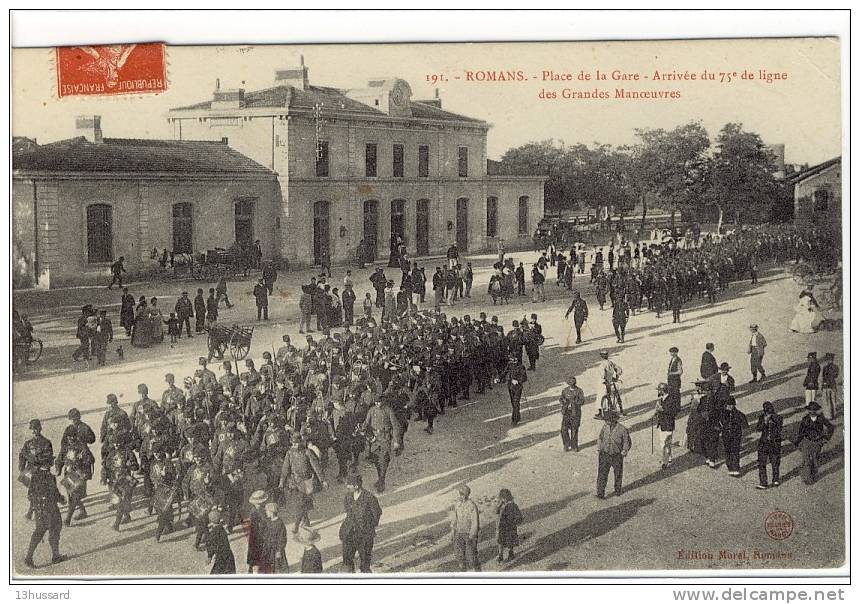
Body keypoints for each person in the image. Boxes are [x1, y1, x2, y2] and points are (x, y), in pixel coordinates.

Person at [23, 448, 67, 568]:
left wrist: (36, 505)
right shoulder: (49, 477)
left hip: (39, 510)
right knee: (55, 529)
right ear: (47, 464)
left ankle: (29, 557)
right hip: (50, 509)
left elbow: (30, 495)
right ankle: (55, 556)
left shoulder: (35, 476)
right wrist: (61, 499)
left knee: (39, 531)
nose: (51, 463)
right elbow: (54, 493)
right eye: (50, 461)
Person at [339, 473, 383, 573]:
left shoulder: (369, 498)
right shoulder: (348, 497)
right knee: (347, 561)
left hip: (364, 535)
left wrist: (369, 527)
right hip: (350, 533)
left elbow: (377, 513)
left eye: (349, 485)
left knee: (365, 563)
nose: (347, 487)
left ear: (356, 486)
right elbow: (348, 512)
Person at [362, 398, 402, 493]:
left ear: (383, 401)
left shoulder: (388, 411)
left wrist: (396, 441)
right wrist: (361, 428)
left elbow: (395, 426)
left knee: (383, 460)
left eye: (379, 402)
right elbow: (366, 422)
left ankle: (382, 482)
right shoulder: (372, 410)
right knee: (376, 460)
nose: (377, 404)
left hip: (385, 438)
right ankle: (380, 478)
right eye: (375, 402)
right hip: (374, 439)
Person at [792, 401, 835, 485]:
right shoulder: (805, 419)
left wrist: (826, 438)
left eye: (814, 410)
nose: (812, 412)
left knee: (815, 461)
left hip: (817, 443)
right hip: (806, 442)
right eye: (810, 410)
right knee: (806, 460)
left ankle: (813, 475)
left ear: (816, 410)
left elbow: (830, 427)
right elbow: (801, 432)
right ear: (808, 410)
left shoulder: (821, 419)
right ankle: (807, 478)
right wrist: (798, 442)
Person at [19, 419, 54, 521]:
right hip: (31, 472)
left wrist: (36, 460)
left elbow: (48, 458)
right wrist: (21, 467)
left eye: (36, 429)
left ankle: (32, 511)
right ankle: (32, 510)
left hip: (42, 471)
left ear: (40, 428)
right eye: (32, 429)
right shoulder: (28, 443)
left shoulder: (46, 443)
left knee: (39, 493)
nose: (34, 431)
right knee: (32, 492)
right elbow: (22, 455)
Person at [596, 410, 631, 499]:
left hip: (617, 455)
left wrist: (625, 450)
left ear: (613, 420)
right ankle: (600, 493)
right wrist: (599, 447)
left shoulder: (623, 429)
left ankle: (617, 490)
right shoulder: (605, 427)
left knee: (618, 474)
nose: (606, 422)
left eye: (607, 420)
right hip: (604, 454)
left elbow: (627, 442)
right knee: (602, 474)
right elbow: (600, 437)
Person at [450, 484, 480, 571]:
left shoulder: (472, 506)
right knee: (460, 554)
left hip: (469, 534)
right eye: (460, 494)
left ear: (467, 495)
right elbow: (454, 519)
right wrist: (453, 532)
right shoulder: (457, 504)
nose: (461, 496)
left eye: (463, 494)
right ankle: (463, 571)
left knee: (471, 555)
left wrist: (472, 535)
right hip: (459, 533)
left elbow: (475, 522)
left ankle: (477, 572)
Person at [756, 401, 783, 490]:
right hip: (764, 443)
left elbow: (779, 429)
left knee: (775, 462)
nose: (768, 413)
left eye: (770, 411)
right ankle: (763, 482)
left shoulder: (778, 418)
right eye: (766, 411)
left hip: (774, 443)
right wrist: (765, 422)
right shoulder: (761, 418)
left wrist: (772, 421)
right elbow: (758, 429)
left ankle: (775, 479)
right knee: (761, 463)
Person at [720, 398, 747, 477]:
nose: (729, 407)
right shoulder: (723, 413)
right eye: (728, 405)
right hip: (726, 435)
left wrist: (740, 432)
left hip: (736, 436)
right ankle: (730, 467)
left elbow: (745, 425)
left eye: (731, 405)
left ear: (734, 405)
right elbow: (719, 422)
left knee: (735, 451)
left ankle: (735, 468)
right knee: (727, 451)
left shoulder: (739, 414)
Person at [654, 383, 679, 469]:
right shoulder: (661, 399)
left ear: (663, 391)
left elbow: (674, 412)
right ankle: (669, 457)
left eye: (659, 390)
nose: (658, 391)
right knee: (665, 443)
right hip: (662, 424)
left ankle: (665, 462)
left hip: (668, 425)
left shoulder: (671, 399)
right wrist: (657, 412)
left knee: (664, 444)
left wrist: (663, 409)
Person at [494, 488, 523, 563]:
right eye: (501, 498)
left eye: (503, 498)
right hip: (501, 526)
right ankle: (500, 554)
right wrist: (499, 505)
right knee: (500, 540)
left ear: (507, 498)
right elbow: (495, 512)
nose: (502, 500)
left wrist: (513, 522)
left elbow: (519, 516)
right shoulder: (501, 505)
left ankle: (510, 553)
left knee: (510, 540)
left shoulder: (512, 505)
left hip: (509, 527)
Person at [259, 502, 288, 574]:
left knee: (278, 564)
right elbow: (264, 532)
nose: (266, 512)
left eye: (267, 511)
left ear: (272, 512)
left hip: (276, 548)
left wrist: (279, 550)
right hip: (268, 546)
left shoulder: (280, 523)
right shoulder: (268, 521)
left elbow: (282, 538)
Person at [206, 510, 236, 574]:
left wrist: (209, 557)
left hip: (221, 557)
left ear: (210, 520)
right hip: (229, 555)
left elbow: (211, 546)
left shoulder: (213, 533)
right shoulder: (222, 529)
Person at [559, 375, 584, 452]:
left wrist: (574, 402)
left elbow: (582, 401)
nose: (572, 385)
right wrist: (564, 402)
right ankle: (566, 444)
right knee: (563, 429)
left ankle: (574, 446)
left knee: (574, 429)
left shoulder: (579, 391)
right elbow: (561, 399)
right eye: (570, 384)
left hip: (575, 412)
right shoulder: (565, 390)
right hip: (567, 412)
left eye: (573, 384)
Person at [502, 355, 527, 426]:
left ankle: (514, 420)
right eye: (511, 360)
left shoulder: (521, 367)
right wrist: (499, 378)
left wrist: (518, 381)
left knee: (516, 403)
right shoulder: (509, 365)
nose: (513, 361)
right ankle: (518, 415)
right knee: (513, 402)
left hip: (517, 388)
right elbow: (505, 372)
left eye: (514, 360)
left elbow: (524, 378)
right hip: (510, 387)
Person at [820, 353, 840, 420]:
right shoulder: (836, 367)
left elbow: (823, 377)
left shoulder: (825, 367)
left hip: (826, 386)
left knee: (827, 400)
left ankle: (828, 415)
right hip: (833, 385)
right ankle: (834, 414)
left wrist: (823, 385)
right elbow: (836, 375)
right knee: (833, 400)